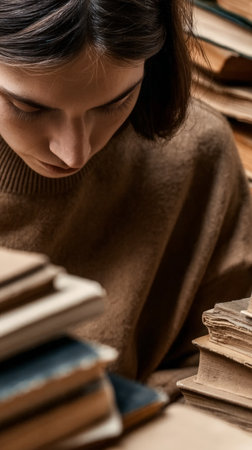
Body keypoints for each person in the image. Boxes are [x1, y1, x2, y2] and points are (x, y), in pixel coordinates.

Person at [0, 0, 251, 399]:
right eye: (28, 106)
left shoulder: (194, 153)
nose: (74, 153)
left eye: (114, 103)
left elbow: (225, 375)